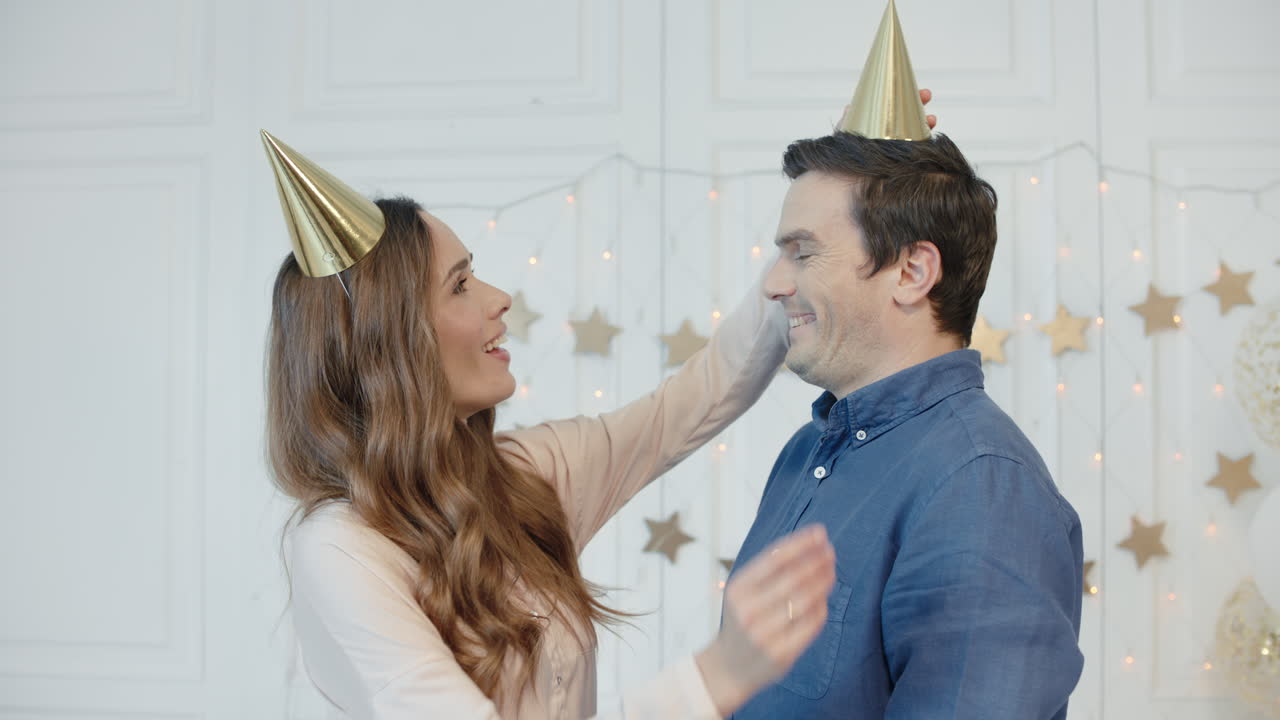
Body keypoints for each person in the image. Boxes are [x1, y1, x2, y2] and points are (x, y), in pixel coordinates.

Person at [262, 130, 841, 719]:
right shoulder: (341, 550)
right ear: (390, 345)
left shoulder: (526, 475)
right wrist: (716, 677)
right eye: (459, 285)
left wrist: (808, 236)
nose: (499, 298)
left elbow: (698, 397)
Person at [725, 129, 1084, 717]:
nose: (773, 283)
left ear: (912, 272)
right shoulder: (805, 452)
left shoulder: (982, 485)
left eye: (803, 252)